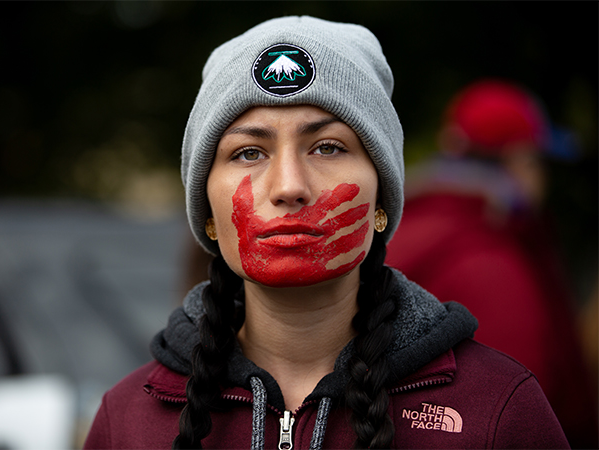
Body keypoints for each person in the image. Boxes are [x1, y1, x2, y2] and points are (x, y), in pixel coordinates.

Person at [84, 17, 569, 449]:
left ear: (382, 197)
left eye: (329, 147)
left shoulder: (498, 409)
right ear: (206, 211)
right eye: (249, 152)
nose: (290, 186)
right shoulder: (126, 420)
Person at [385, 79, 597, 447]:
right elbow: (523, 407)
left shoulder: (404, 230)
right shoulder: (492, 259)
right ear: (521, 161)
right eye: (539, 161)